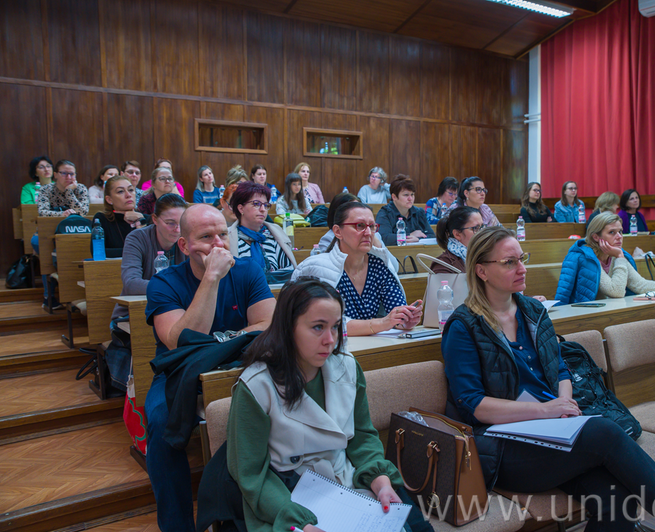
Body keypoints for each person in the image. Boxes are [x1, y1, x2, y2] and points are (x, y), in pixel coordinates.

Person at [441, 226, 655, 532]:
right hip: (502, 448)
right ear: (481, 271)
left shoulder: (533, 310)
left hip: (553, 431)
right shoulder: (463, 326)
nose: (522, 268)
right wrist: (545, 410)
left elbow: (560, 369)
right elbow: (473, 405)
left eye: (522, 258)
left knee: (618, 499)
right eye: (509, 262)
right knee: (604, 431)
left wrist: (563, 403)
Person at [227, 278, 434, 532]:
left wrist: (380, 480)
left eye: (335, 327)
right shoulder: (257, 386)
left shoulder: (347, 366)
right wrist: (299, 522)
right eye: (318, 327)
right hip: (285, 496)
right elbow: (252, 475)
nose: (330, 339)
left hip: (345, 482)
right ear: (288, 328)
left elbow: (362, 437)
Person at [145, 204, 276, 532]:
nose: (218, 244)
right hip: (178, 373)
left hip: (239, 366)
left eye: (222, 235)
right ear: (185, 245)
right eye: (206, 237)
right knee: (160, 422)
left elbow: (268, 323)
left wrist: (221, 341)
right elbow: (181, 342)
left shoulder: (247, 271)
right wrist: (212, 277)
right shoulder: (163, 283)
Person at [293, 202, 421, 336]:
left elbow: (396, 311)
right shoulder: (317, 268)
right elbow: (326, 323)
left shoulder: (379, 265)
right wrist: (381, 323)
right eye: (359, 226)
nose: (368, 233)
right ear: (338, 231)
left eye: (372, 226)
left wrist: (404, 321)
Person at [107, 193, 188, 391]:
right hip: (134, 314)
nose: (177, 229)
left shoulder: (186, 240)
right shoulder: (137, 238)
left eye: (181, 223)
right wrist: (173, 290)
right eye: (170, 223)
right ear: (155, 219)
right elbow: (131, 283)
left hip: (176, 311)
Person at [555, 212, 655, 304]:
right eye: (612, 232)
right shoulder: (585, 258)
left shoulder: (616, 254)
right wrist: (619, 257)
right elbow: (616, 291)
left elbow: (639, 284)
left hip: (609, 312)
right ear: (596, 237)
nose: (619, 237)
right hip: (586, 317)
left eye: (620, 231)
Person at [228, 181, 297, 284]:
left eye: (266, 205)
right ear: (241, 208)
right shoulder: (228, 237)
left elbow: (289, 271)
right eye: (256, 204)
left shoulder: (274, 233)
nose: (263, 209)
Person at [92, 175, 150, 258]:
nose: (128, 195)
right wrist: (136, 251)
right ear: (109, 199)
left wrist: (141, 222)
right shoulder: (102, 219)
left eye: (131, 190)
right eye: (120, 191)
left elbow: (154, 251)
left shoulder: (146, 219)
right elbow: (99, 252)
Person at [376, 176, 434, 245]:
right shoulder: (384, 213)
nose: (410, 198)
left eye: (412, 194)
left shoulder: (419, 212)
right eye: (406, 195)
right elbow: (384, 238)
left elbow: (432, 236)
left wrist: (418, 238)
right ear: (394, 197)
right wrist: (409, 235)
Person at [432, 206, 482, 273]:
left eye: (482, 227)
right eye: (475, 228)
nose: (481, 232)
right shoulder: (443, 265)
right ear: (457, 234)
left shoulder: (483, 256)